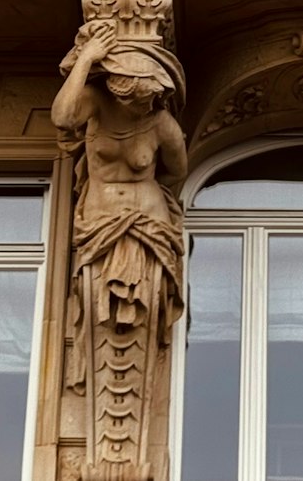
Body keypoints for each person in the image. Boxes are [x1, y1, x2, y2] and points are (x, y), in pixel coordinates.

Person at [52, 20, 188, 383]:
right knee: (99, 306)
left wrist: (144, 201)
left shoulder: (161, 124)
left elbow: (176, 172)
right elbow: (62, 117)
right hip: (100, 223)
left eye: (151, 100)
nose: (146, 106)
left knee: (144, 306)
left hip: (147, 226)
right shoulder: (94, 103)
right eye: (138, 100)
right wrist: (88, 58)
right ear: (119, 90)